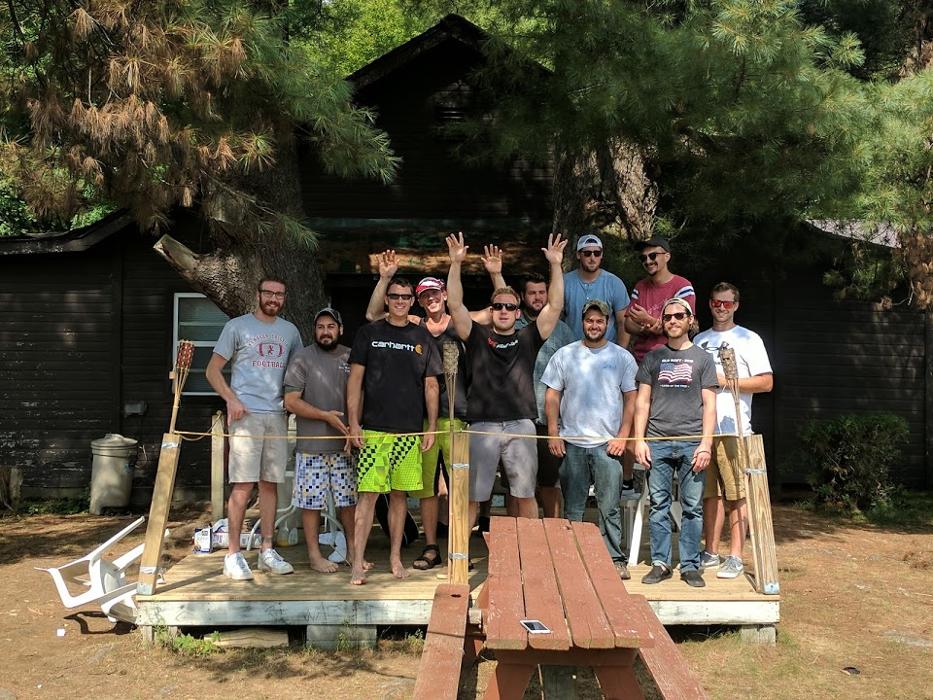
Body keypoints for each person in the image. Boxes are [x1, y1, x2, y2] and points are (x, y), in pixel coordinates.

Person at [362, 248, 504, 569]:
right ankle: (430, 547)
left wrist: (484, 270)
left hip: (459, 416)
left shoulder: (461, 322)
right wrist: (385, 278)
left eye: (435, 293)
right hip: (423, 420)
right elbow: (373, 315)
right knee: (426, 489)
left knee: (460, 487)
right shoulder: (415, 326)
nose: (431, 300)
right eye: (424, 296)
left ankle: (459, 547)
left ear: (444, 293)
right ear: (419, 301)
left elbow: (500, 308)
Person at [445, 231, 567, 527]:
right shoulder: (476, 335)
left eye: (509, 307)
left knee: (525, 495)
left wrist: (555, 264)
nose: (503, 311)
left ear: (517, 312)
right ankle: (460, 563)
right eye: (498, 306)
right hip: (483, 425)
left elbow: (555, 307)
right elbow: (455, 306)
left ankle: (530, 557)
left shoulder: (528, 337)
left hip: (520, 424)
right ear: (491, 310)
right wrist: (456, 264)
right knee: (474, 498)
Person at [206, 276, 303, 581]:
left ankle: (267, 551)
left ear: (284, 298)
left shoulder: (290, 332)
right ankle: (233, 554)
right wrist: (231, 400)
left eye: (280, 294)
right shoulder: (237, 326)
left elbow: (299, 372)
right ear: (258, 294)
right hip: (245, 416)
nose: (274, 298)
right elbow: (212, 370)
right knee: (243, 485)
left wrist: (294, 402)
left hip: (276, 416)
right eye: (269, 293)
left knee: (270, 485)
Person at [347, 277, 441, 585]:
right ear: (386, 299)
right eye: (394, 296)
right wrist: (354, 423)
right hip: (374, 429)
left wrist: (430, 427)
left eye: (405, 297)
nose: (400, 301)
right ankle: (357, 562)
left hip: (409, 431)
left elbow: (431, 385)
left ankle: (395, 558)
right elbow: (355, 381)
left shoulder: (422, 336)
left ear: (412, 301)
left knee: (400, 496)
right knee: (368, 496)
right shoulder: (369, 333)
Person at [542, 299, 638, 578]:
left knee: (609, 506)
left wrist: (623, 436)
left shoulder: (621, 357)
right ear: (582, 322)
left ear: (607, 323)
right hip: (572, 442)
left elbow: (631, 399)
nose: (594, 325)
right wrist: (553, 432)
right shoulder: (565, 355)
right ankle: (573, 556)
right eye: (589, 320)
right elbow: (552, 395)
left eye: (600, 321)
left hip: (608, 444)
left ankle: (614, 558)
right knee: (573, 506)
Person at [633, 298, 718, 588]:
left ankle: (691, 565)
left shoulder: (704, 359)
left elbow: (709, 405)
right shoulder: (653, 357)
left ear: (689, 319)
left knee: (692, 507)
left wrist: (706, 443)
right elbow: (642, 402)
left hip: (692, 443)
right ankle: (660, 563)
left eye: (678, 316)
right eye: (667, 316)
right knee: (658, 505)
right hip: (656, 441)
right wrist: (639, 440)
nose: (672, 321)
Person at [694, 283, 774, 579]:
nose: (721, 308)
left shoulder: (749, 339)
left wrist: (725, 381)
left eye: (727, 304)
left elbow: (766, 383)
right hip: (704, 430)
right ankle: (711, 552)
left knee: (737, 494)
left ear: (736, 306)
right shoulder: (699, 340)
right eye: (716, 302)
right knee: (709, 494)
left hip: (734, 428)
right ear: (710, 303)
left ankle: (736, 555)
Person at [283, 307, 364, 574]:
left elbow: (361, 395)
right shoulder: (302, 357)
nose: (325, 331)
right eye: (320, 327)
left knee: (349, 502)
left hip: (345, 447)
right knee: (310, 504)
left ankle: (354, 551)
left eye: (331, 326)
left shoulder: (352, 356)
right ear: (314, 330)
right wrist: (325, 417)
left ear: (340, 329)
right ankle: (315, 555)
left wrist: (354, 427)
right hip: (311, 447)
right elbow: (291, 401)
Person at [512, 273, 575, 518]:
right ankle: (517, 537)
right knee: (516, 486)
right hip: (518, 417)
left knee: (550, 482)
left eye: (542, 292)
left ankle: (553, 533)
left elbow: (574, 373)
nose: (538, 297)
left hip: (550, 419)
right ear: (522, 296)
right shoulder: (511, 325)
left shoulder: (563, 331)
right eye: (532, 293)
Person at [625, 236, 696, 364]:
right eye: (643, 258)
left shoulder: (682, 286)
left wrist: (648, 320)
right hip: (641, 361)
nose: (648, 261)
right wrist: (644, 330)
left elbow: (683, 325)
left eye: (653, 256)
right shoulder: (640, 287)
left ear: (667, 256)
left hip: (672, 360)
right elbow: (628, 324)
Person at [562, 233, 631, 346]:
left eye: (597, 253)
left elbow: (623, 322)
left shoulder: (614, 283)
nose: (592, 258)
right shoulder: (565, 282)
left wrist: (621, 353)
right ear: (578, 255)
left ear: (602, 255)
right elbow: (555, 317)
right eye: (587, 253)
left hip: (606, 353)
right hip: (573, 353)